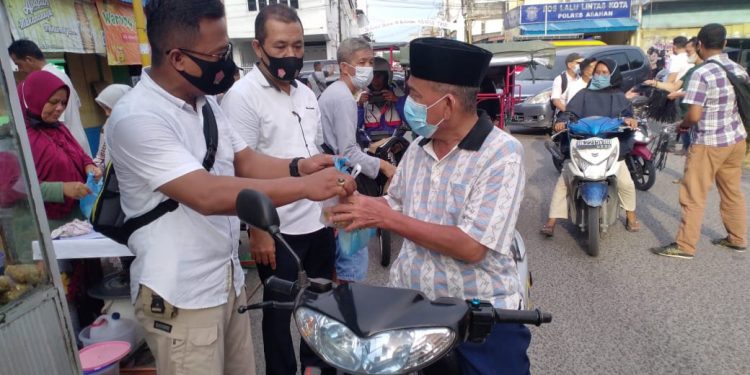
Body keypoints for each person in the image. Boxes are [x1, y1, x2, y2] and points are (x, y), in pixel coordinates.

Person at [105, 1, 356, 374]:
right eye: (219, 53)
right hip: (181, 296)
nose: (226, 62)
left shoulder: (204, 105)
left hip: (226, 281)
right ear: (177, 57)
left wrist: (299, 166)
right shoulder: (137, 118)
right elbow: (206, 194)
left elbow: (247, 162)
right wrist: (304, 187)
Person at [329, 37, 530, 375]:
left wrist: (385, 217)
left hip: (479, 321)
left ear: (448, 104)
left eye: (416, 96)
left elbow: (471, 245)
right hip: (414, 310)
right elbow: (396, 204)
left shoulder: (501, 154)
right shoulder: (419, 146)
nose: (408, 102)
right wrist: (359, 205)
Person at [220, 4, 335, 375]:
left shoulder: (305, 92)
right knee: (279, 312)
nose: (291, 55)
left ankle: (315, 366)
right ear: (258, 47)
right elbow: (242, 170)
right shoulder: (242, 97)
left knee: (319, 303)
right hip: (277, 227)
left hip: (317, 220)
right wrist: (257, 229)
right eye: (281, 46)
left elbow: (312, 151)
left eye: (298, 46)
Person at [651, 24, 747, 259]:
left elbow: (694, 116)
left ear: (700, 45)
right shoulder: (738, 69)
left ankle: (684, 246)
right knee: (732, 191)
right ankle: (737, 238)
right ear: (724, 44)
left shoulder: (702, 73)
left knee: (693, 194)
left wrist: (683, 125)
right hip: (735, 140)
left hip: (709, 142)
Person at [319, 38, 396, 283]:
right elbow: (348, 152)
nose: (368, 68)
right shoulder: (343, 98)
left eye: (370, 62)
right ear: (344, 67)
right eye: (361, 62)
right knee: (351, 254)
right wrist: (384, 166)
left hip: (331, 179)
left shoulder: (338, 93)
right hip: (339, 179)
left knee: (340, 253)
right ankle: (349, 305)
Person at [540, 58, 640, 237]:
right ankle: (551, 221)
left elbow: (627, 115)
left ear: (613, 75)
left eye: (604, 73)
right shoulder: (582, 94)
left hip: (610, 147)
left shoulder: (619, 97)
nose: (599, 76)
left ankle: (631, 216)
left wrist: (629, 120)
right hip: (582, 144)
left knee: (626, 182)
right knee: (564, 181)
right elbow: (569, 112)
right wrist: (562, 122)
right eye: (597, 72)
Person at [17, 70, 101, 228]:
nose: (59, 108)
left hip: (78, 214)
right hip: (46, 225)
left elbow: (80, 154)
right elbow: (14, 186)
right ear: (33, 99)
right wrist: (61, 189)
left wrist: (89, 166)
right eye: (53, 101)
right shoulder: (18, 138)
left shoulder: (58, 128)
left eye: (63, 103)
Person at [9, 39, 90, 156]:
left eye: (19, 65)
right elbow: (76, 104)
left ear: (29, 60)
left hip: (67, 147)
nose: (20, 70)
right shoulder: (59, 73)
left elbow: (54, 121)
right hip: (76, 141)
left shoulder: (46, 79)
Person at [357, 56, 406, 143]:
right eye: (372, 77)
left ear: (387, 77)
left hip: (394, 144)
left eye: (379, 76)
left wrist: (397, 100)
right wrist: (360, 106)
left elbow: (410, 122)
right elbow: (356, 127)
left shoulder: (398, 95)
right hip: (371, 146)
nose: (375, 81)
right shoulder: (362, 99)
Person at [93, 84, 132, 169]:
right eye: (104, 109)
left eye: (109, 108)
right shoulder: (108, 124)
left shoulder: (139, 125)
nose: (106, 113)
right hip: (114, 175)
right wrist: (95, 169)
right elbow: (101, 155)